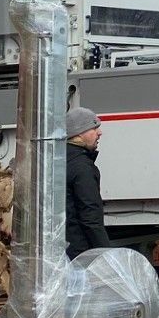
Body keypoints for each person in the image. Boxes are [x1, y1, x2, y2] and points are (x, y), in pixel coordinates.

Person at [63, 105, 113, 257]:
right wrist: (106, 254)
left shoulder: (60, 162)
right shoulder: (82, 168)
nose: (100, 133)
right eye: (94, 128)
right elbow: (90, 218)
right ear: (78, 133)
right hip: (80, 252)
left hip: (63, 250)